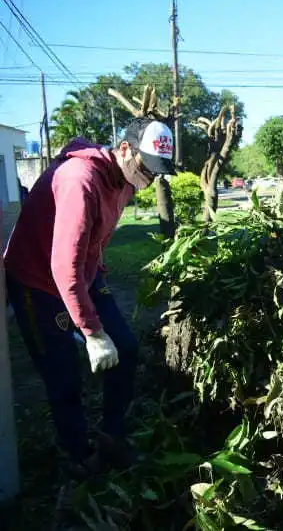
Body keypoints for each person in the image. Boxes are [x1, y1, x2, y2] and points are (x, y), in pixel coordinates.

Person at [3, 117, 175, 477]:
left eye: (156, 172)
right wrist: (93, 335)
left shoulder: (125, 181)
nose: (148, 179)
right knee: (63, 374)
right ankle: (79, 454)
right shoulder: (79, 181)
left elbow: (93, 238)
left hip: (83, 272)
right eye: (145, 167)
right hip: (39, 281)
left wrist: (97, 272)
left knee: (125, 348)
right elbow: (62, 267)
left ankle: (111, 434)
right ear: (125, 149)